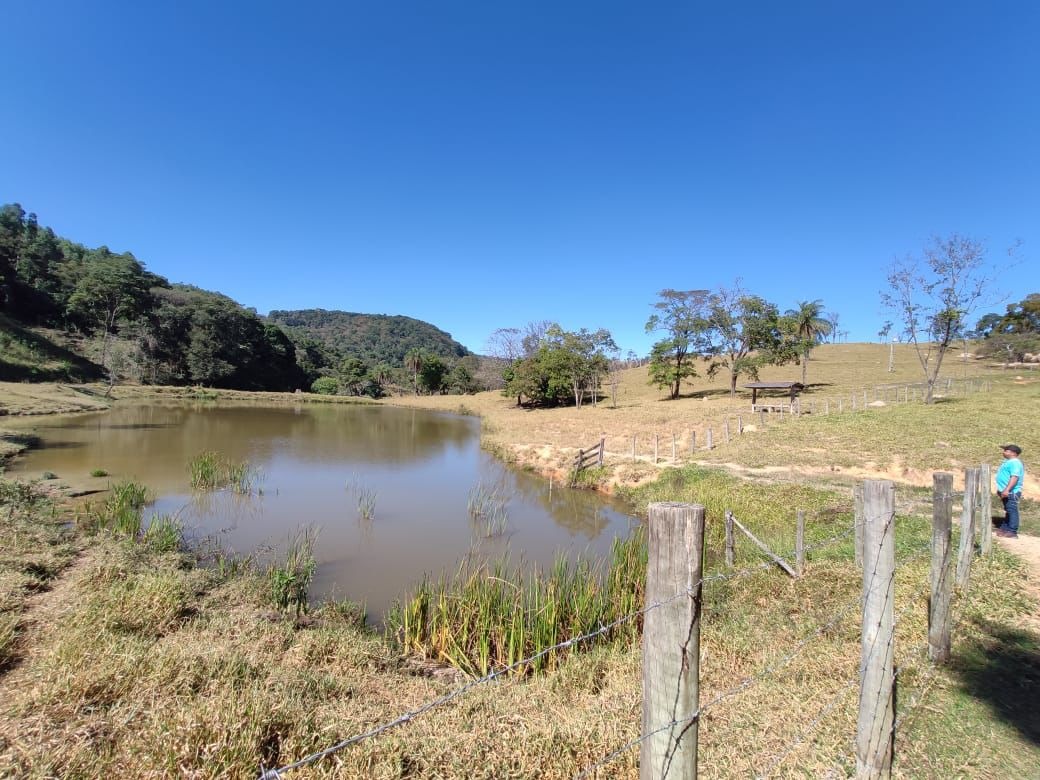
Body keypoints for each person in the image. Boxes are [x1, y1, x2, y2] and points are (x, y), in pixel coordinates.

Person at [995, 444, 1024, 539]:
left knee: (1012, 510)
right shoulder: (1008, 462)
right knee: (1008, 510)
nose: (1003, 452)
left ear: (1013, 453)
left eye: (1006, 450)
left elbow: (1014, 477)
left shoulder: (1015, 463)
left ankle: (1012, 531)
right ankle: (1005, 528)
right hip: (1005, 491)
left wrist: (1007, 490)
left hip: (1012, 492)